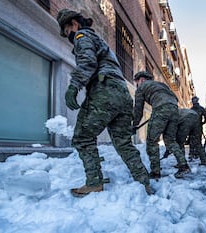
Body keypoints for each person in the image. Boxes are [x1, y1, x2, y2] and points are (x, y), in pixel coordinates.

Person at [56, 9, 152, 196]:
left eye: (67, 31)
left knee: (82, 138)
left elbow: (88, 62)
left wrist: (73, 87)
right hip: (122, 95)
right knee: (123, 142)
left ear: (74, 24)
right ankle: (143, 180)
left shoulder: (82, 35)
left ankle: (94, 182)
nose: (68, 36)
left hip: (104, 92)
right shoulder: (100, 42)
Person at [132, 71, 191, 179]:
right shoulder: (161, 85)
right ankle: (184, 165)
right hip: (174, 110)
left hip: (160, 108)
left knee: (151, 141)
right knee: (170, 140)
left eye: (137, 82)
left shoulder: (141, 87)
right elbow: (174, 98)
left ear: (141, 80)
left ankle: (155, 172)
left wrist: (134, 125)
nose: (137, 84)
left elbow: (138, 110)